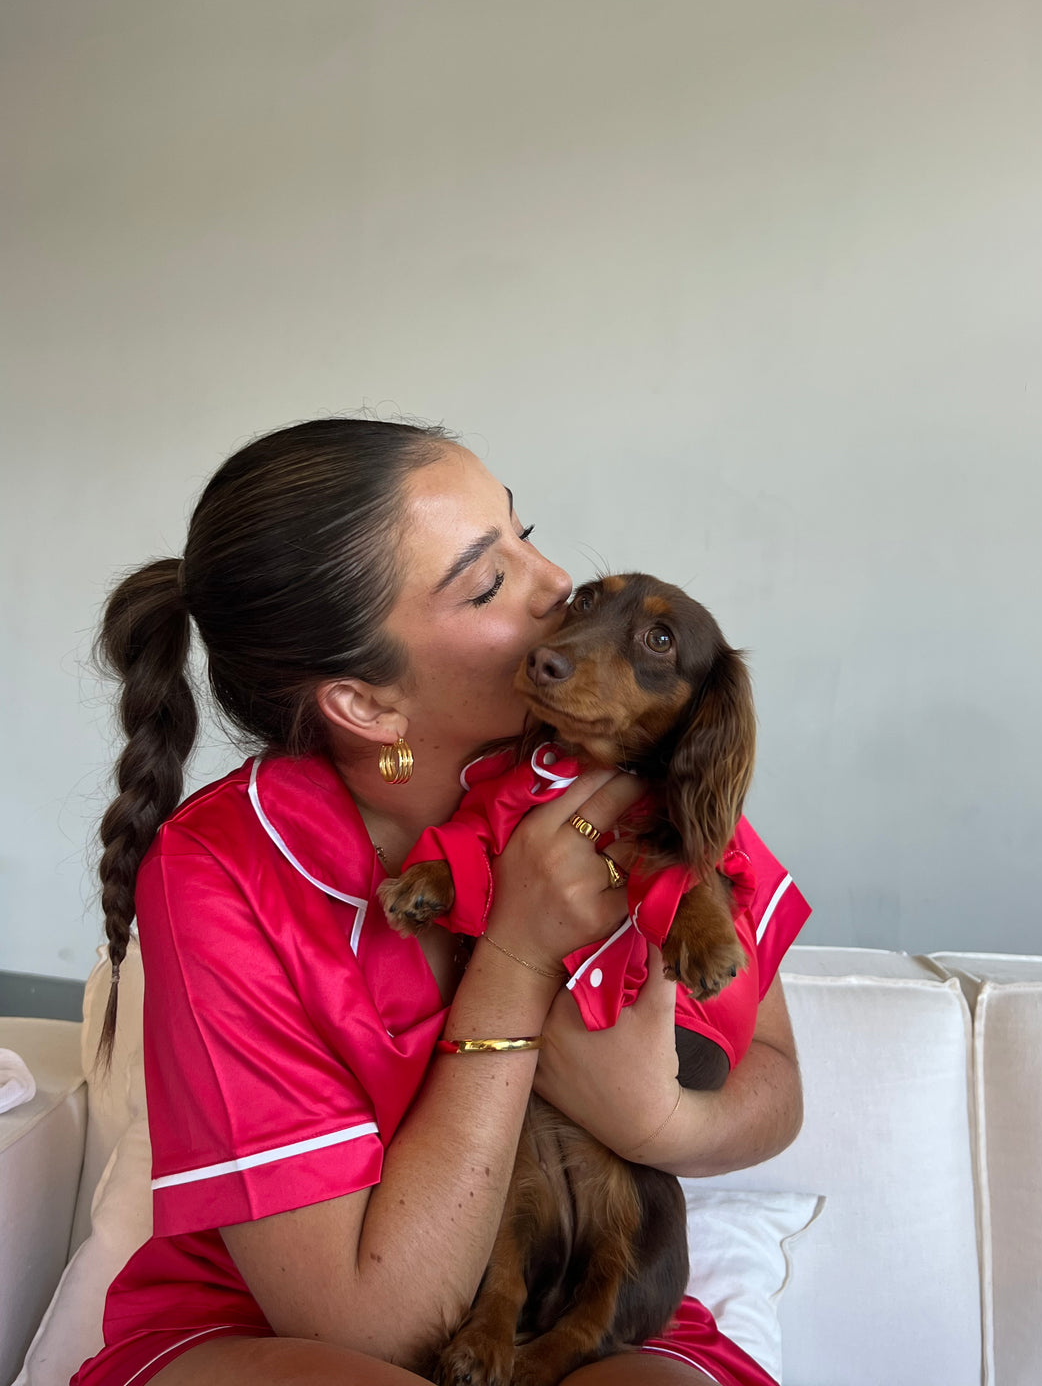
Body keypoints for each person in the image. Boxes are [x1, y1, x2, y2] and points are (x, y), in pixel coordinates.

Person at [75, 418, 808, 1386]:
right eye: (488, 582)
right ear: (368, 706)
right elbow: (376, 1323)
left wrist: (660, 1125)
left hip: (581, 1299)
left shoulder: (625, 774)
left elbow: (774, 1077)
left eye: (524, 529)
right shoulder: (224, 872)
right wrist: (515, 957)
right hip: (281, 1331)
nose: (557, 587)